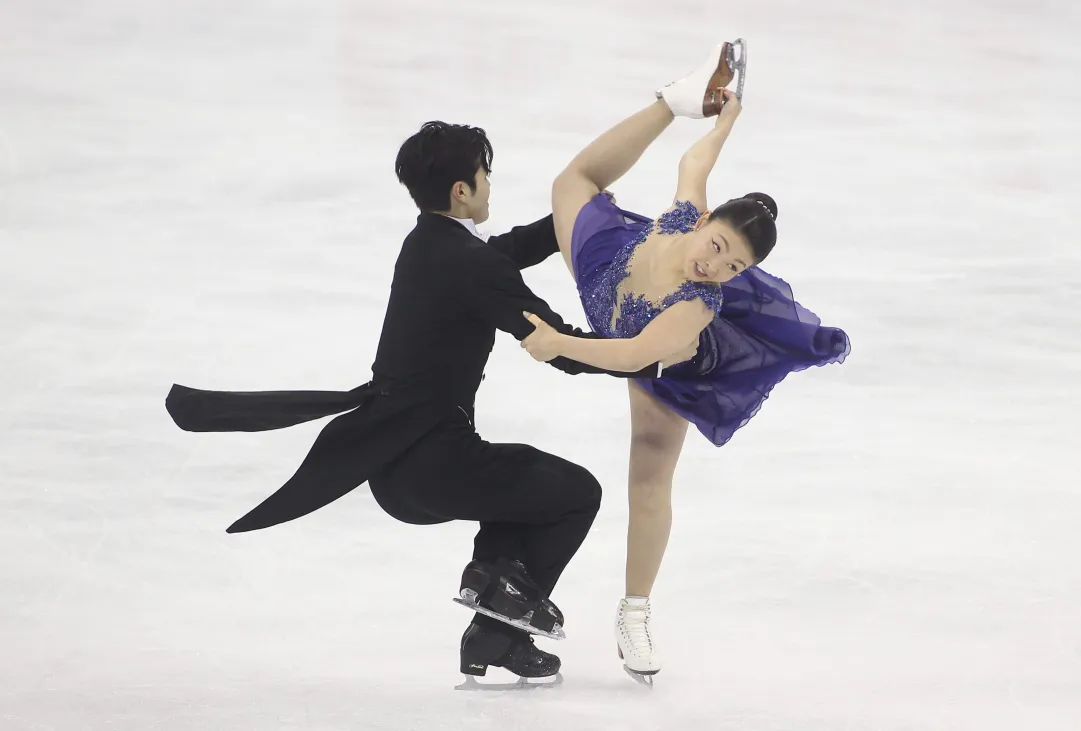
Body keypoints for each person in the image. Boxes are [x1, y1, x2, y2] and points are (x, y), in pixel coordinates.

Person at [164, 121, 688, 683]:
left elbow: (501, 256)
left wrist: (574, 221)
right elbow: (556, 344)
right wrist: (649, 356)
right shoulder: (469, 263)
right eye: (485, 175)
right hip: (431, 463)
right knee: (575, 494)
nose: (490, 185)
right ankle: (493, 595)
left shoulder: (428, 244)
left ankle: (491, 629)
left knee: (520, 489)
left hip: (400, 462)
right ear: (462, 190)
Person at [519, 41, 851, 681]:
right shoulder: (680, 217)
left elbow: (633, 354)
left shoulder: (699, 305)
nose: (716, 266)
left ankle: (635, 611)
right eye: (719, 246)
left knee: (647, 477)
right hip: (608, 276)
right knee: (572, 181)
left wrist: (560, 344)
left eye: (735, 268)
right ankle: (670, 97)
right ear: (706, 221)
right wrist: (717, 118)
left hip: (669, 365)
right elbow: (695, 161)